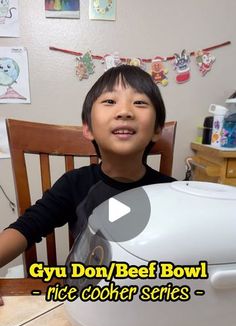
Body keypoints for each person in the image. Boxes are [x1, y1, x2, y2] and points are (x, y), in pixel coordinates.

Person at [0, 65, 175, 270]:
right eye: (110, 101)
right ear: (88, 128)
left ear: (157, 130)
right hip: (86, 293)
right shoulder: (74, 184)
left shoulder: (172, 193)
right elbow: (25, 228)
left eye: (139, 102)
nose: (125, 111)